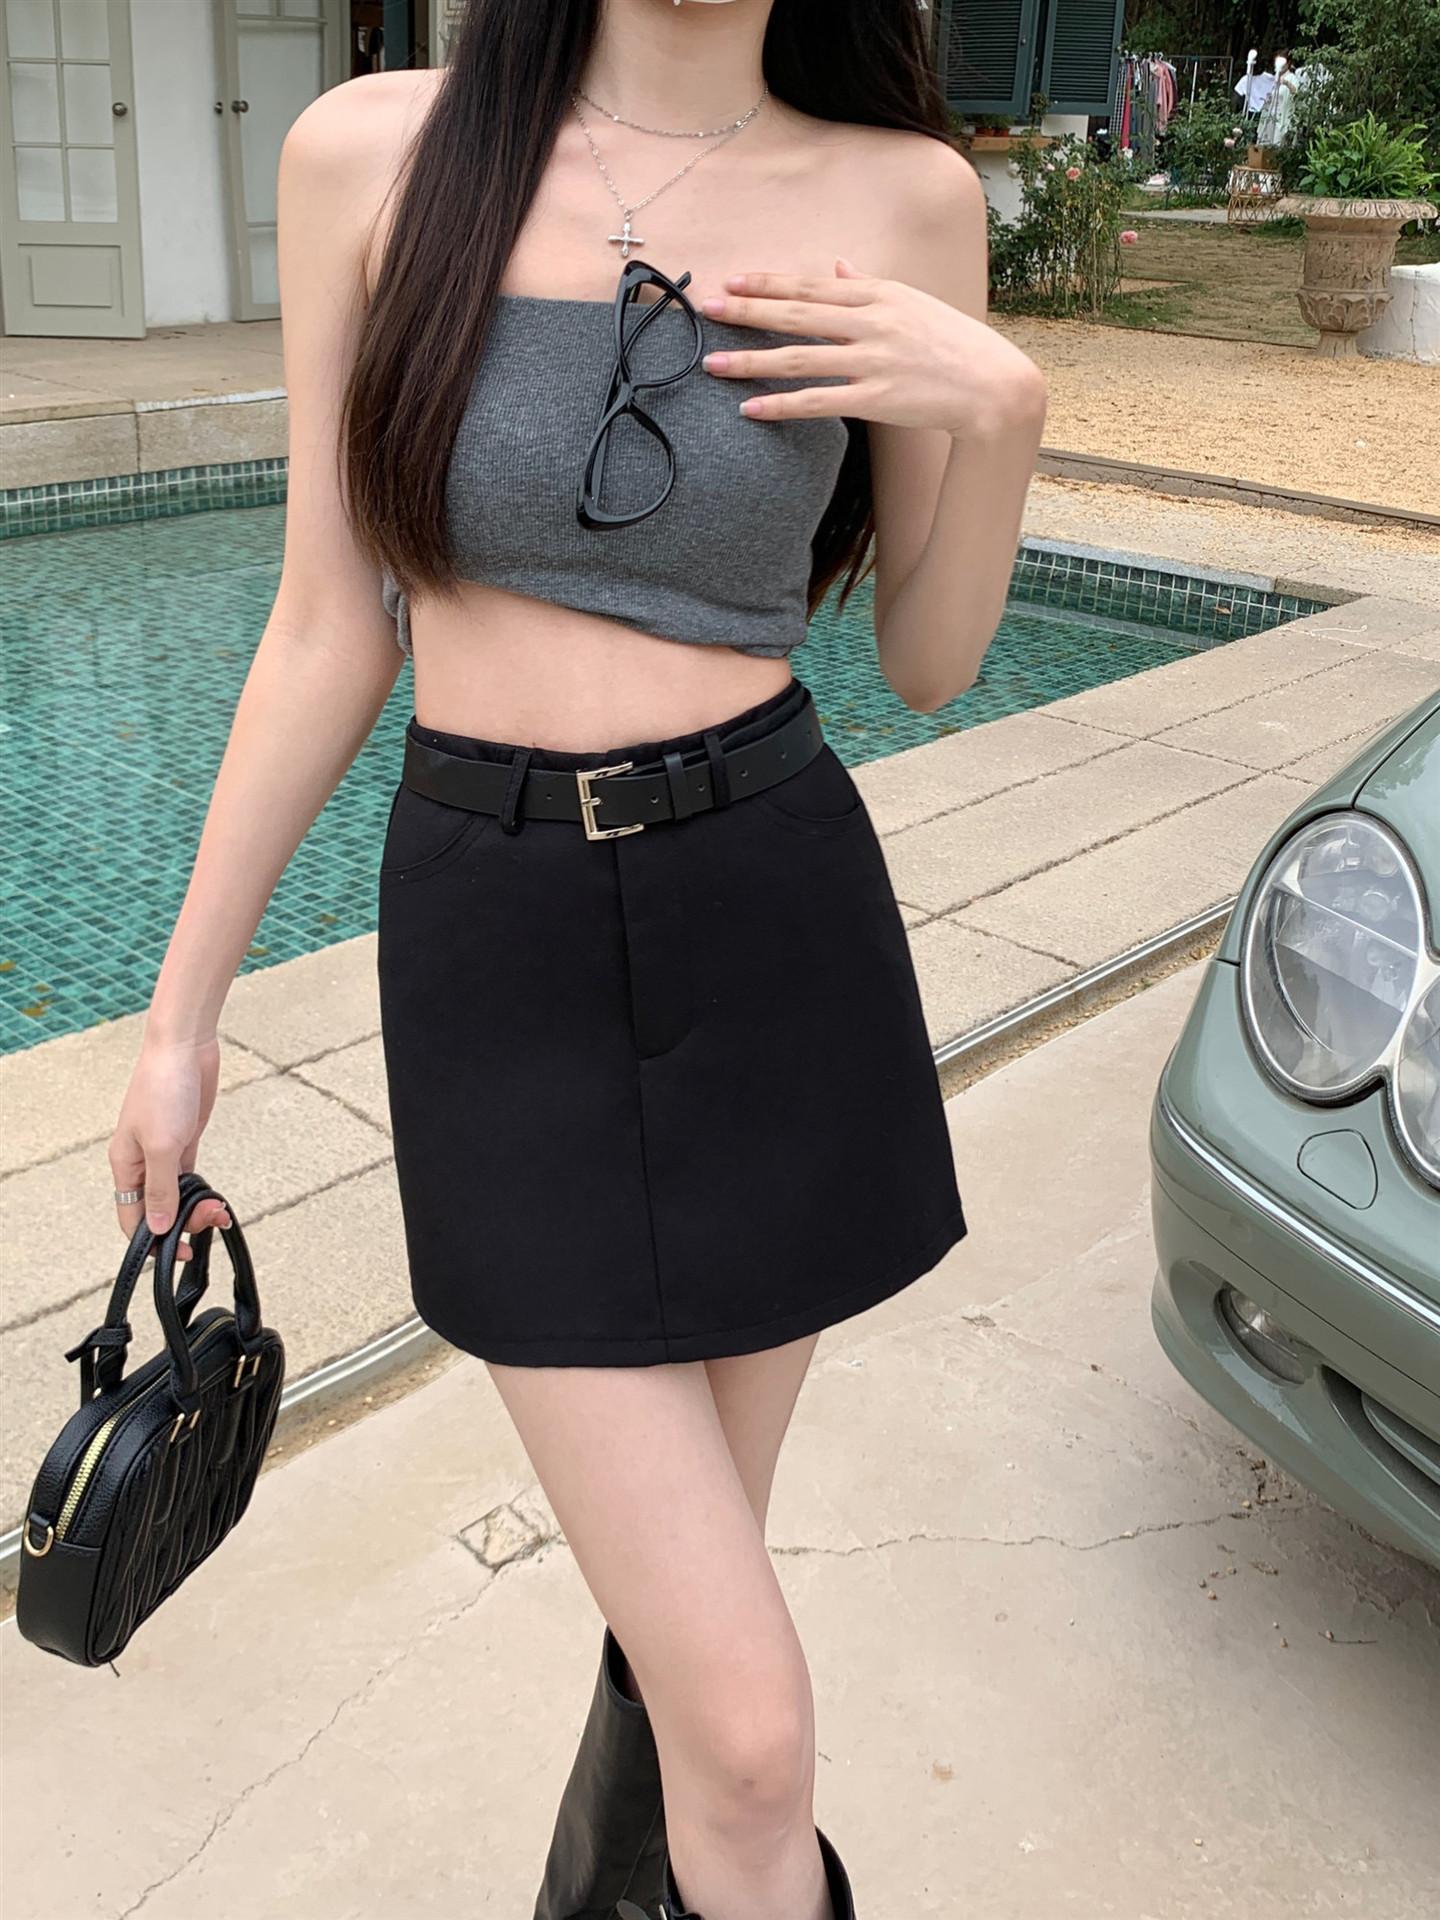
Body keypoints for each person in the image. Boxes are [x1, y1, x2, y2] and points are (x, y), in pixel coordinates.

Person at [105, 3, 1046, 1916]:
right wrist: (179, 1020)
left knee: (688, 1658)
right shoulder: (378, 158)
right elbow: (327, 623)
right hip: (502, 947)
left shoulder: (905, 196)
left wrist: (1002, 415)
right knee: (752, 1727)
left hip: (774, 930)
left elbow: (928, 661)